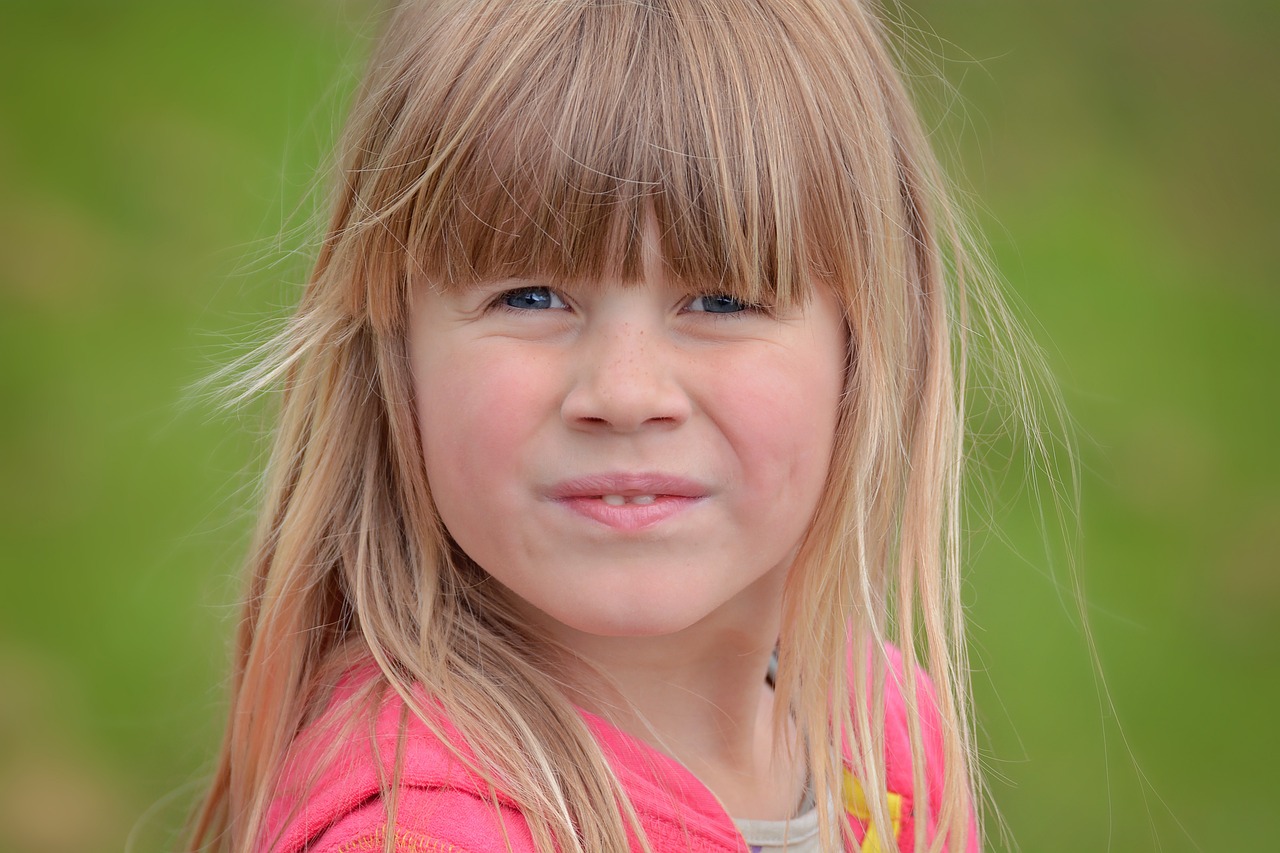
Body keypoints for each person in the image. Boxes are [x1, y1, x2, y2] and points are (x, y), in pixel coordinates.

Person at [188, 0, 1030, 849]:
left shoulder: (889, 746)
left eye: (723, 299)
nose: (625, 393)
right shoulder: (418, 832)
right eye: (529, 296)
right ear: (395, 342)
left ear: (870, 338)